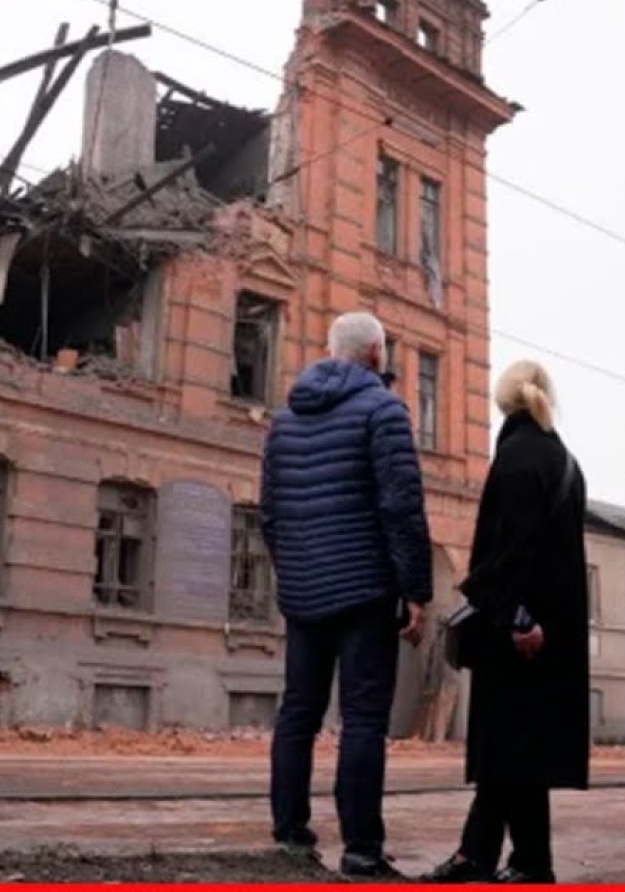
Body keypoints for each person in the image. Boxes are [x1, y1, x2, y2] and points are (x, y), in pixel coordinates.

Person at [260, 311, 433, 878]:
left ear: (332, 351)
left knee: (298, 712)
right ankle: (361, 849)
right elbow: (401, 507)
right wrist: (416, 591)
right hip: (364, 590)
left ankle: (289, 834)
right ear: (378, 354)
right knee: (362, 719)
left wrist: (293, 569)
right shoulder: (384, 410)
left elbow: (269, 514)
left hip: (304, 591)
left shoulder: (284, 421)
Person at [426, 361, 588, 885]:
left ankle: (522, 863)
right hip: (550, 631)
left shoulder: (518, 458)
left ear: (502, 401)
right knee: (516, 751)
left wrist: (518, 619)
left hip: (520, 630)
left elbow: (514, 552)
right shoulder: (562, 459)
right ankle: (489, 856)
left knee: (511, 748)